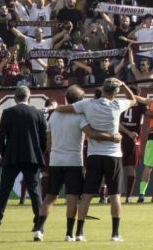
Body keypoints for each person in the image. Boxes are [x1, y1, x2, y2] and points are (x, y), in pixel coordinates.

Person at [55, 78, 143, 242]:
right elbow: (133, 99)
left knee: (87, 195)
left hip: (94, 156)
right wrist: (124, 84)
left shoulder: (87, 104)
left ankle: (79, 233)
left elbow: (63, 108)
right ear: (115, 93)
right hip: (113, 156)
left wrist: (54, 107)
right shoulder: (117, 105)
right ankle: (115, 234)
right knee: (115, 195)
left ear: (102, 89)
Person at [39, 85, 121, 242]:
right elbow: (91, 134)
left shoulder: (54, 115)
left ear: (66, 98)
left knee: (50, 197)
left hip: (55, 160)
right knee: (72, 197)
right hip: (74, 161)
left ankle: (39, 229)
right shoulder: (81, 116)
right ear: (80, 101)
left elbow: (48, 144)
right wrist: (111, 137)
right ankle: (70, 233)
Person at [0, 85, 48, 238]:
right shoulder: (38, 113)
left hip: (12, 156)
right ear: (29, 97)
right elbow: (44, 138)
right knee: (35, 192)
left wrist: (5, 153)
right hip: (31, 157)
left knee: (3, 192)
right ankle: (38, 224)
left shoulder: (8, 113)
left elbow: (0, 136)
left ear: (15, 98)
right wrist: (39, 153)